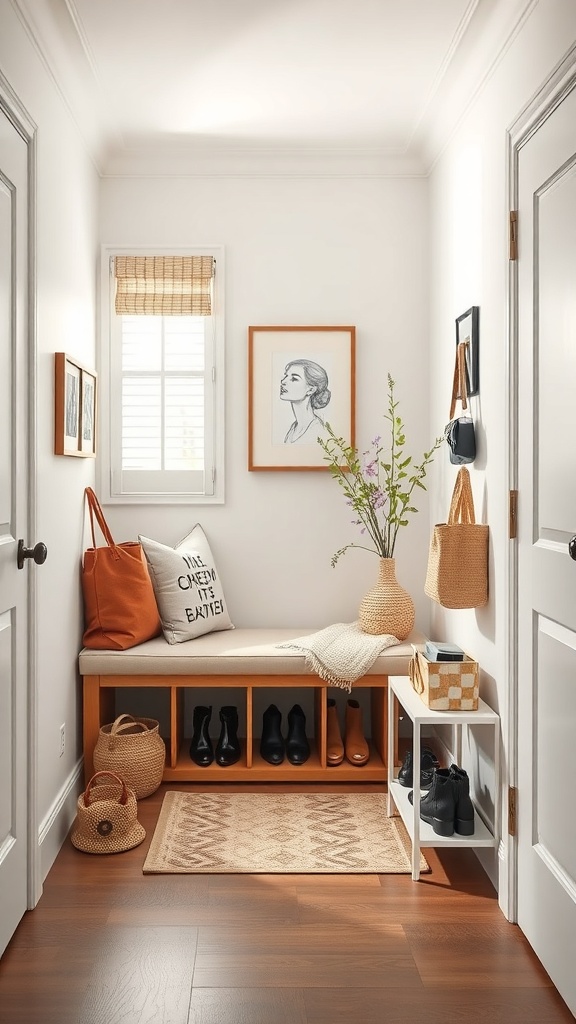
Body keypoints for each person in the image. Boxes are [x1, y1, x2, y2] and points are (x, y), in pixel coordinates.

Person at [280, 359, 331, 444]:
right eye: (286, 376)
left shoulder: (318, 431)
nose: (283, 381)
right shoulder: (294, 428)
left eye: (294, 379)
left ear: (311, 390)